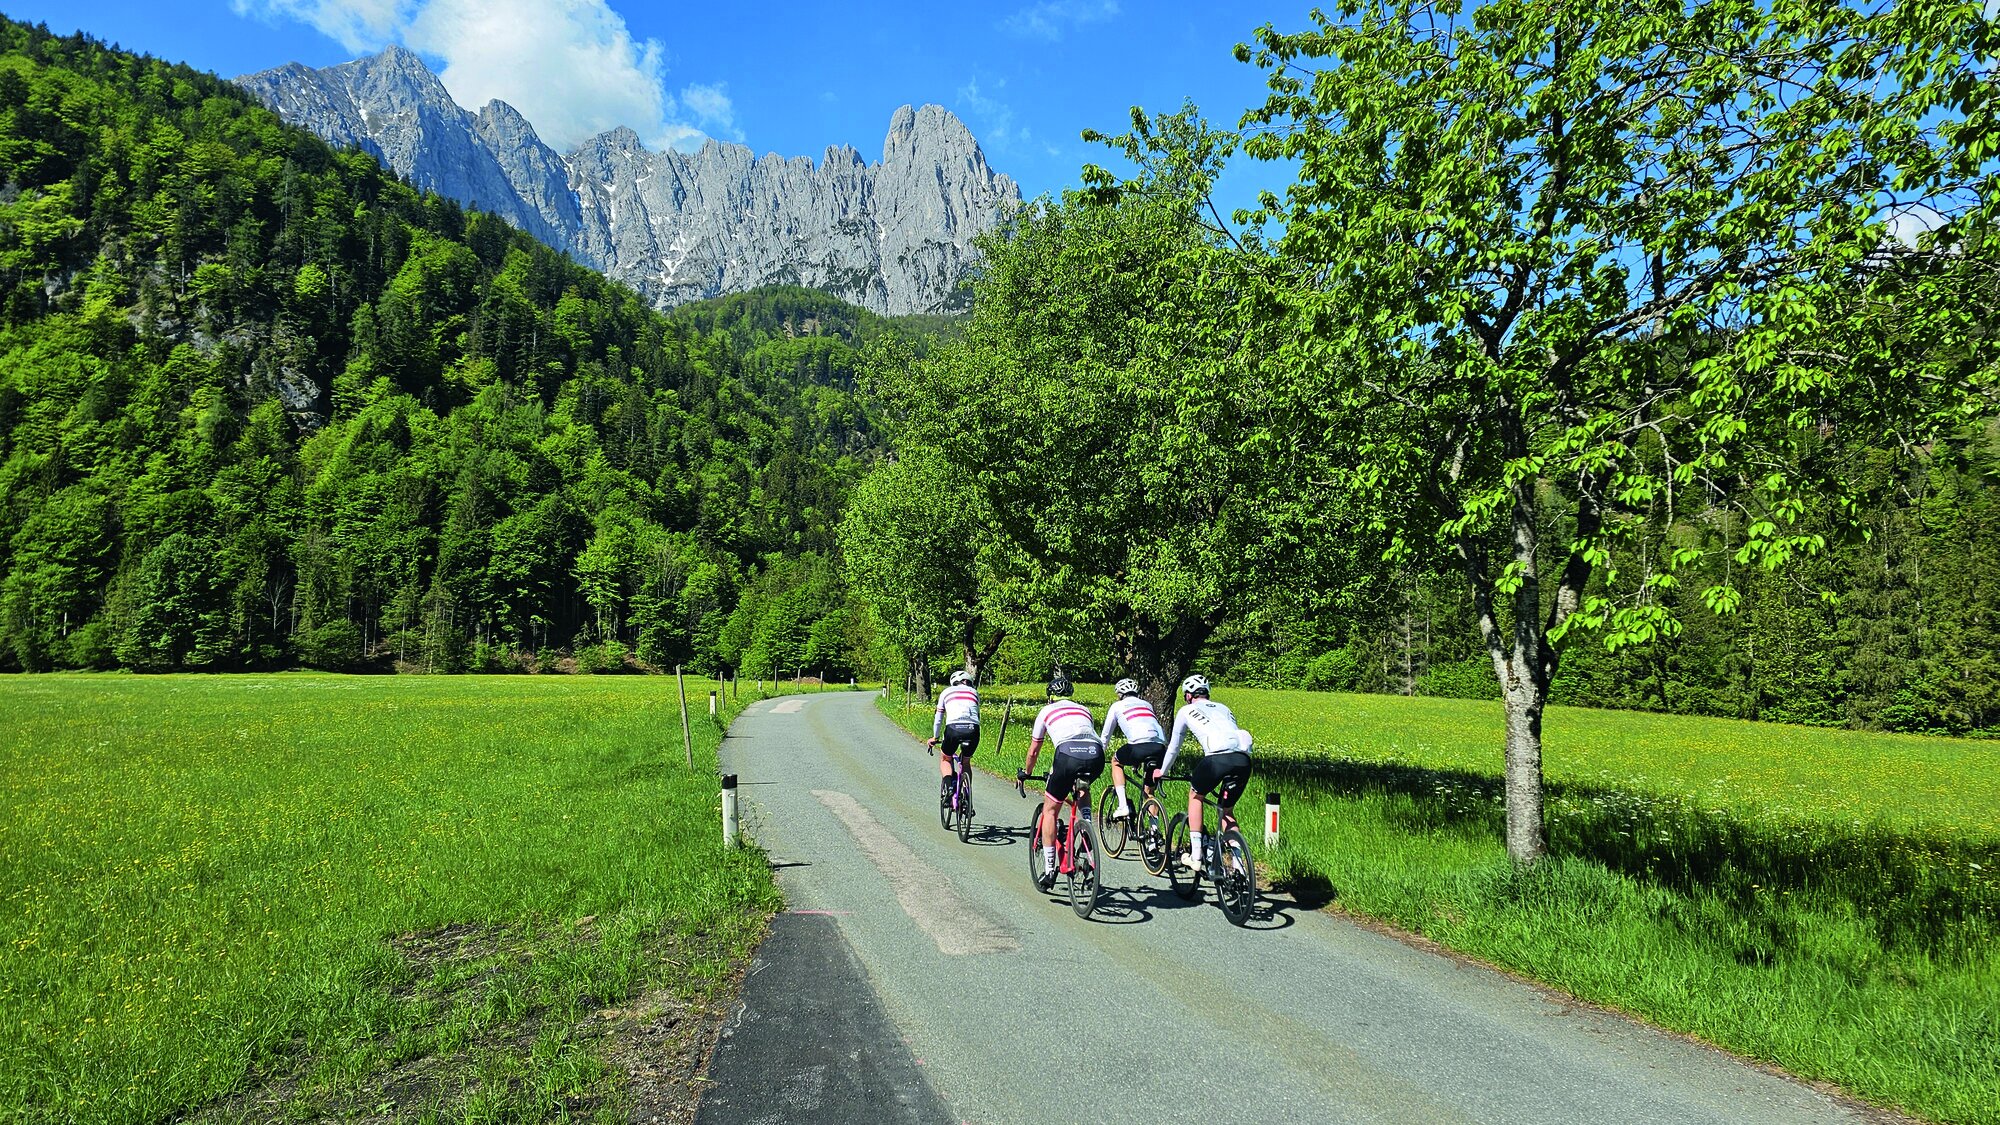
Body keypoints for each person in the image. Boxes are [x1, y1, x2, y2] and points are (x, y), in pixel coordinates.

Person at [1154, 674, 1253, 873]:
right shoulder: (1224, 708)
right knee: (1226, 811)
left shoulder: (1185, 710)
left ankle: (1196, 855)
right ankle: (1240, 866)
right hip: (1243, 760)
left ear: (1188, 695)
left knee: (1196, 796)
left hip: (1216, 759)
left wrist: (1162, 771)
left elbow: (1174, 747)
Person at [1017, 669, 1104, 888]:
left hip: (1067, 755)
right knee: (1083, 787)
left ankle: (1049, 870)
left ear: (1050, 696)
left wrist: (1027, 772)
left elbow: (1034, 751)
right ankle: (1086, 824)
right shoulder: (1084, 709)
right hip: (1095, 754)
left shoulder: (1046, 711)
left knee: (1050, 811)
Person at [1098, 677, 1166, 821]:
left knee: (1116, 762)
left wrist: (1098, 757)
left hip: (1137, 746)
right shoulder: (1147, 704)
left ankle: (1123, 806)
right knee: (1149, 790)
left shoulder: (1117, 706)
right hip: (1159, 747)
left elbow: (1105, 736)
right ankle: (1154, 830)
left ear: (1119, 694)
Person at [927, 669, 980, 811]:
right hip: (973, 729)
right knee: (966, 762)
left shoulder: (946, 692)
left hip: (953, 729)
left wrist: (935, 737)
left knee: (946, 758)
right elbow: (977, 716)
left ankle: (949, 787)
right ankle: (967, 797)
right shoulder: (974, 692)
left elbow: (938, 718)